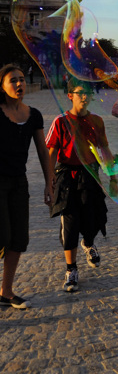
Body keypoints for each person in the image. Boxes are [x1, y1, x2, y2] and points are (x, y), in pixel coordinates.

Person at [47, 78, 118, 293]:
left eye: (87, 93)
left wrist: (113, 177)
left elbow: (104, 149)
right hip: (67, 175)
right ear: (70, 95)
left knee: (93, 217)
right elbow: (50, 152)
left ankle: (88, 243)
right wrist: (49, 182)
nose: (85, 97)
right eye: (80, 93)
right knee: (70, 222)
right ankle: (71, 269)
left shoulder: (96, 121)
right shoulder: (61, 121)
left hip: (90, 174)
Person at [0, 64, 54, 309]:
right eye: (13, 80)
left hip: (19, 183)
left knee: (19, 238)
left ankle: (6, 292)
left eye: (22, 79)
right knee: (3, 236)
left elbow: (43, 151)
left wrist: (49, 184)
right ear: (2, 85)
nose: (19, 84)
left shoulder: (34, 115)